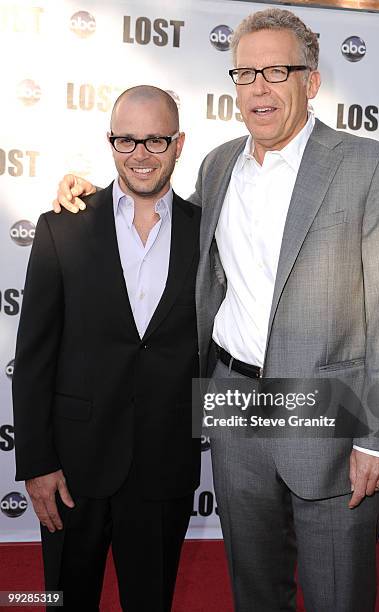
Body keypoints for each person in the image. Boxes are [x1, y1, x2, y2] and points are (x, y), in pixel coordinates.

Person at [52, 8, 379, 612]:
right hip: (232, 399)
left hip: (325, 408)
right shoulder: (220, 164)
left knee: (337, 592)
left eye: (276, 70)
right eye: (245, 73)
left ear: (313, 81)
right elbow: (168, 228)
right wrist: (94, 195)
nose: (258, 88)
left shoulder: (369, 165)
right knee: (254, 587)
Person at [13, 85, 201, 612]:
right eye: (127, 140)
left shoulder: (207, 233)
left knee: (151, 602)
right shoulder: (61, 227)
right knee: (63, 601)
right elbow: (33, 359)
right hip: (72, 468)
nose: (140, 154)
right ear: (110, 141)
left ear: (179, 143)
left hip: (164, 466)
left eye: (156, 141)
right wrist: (37, 462)